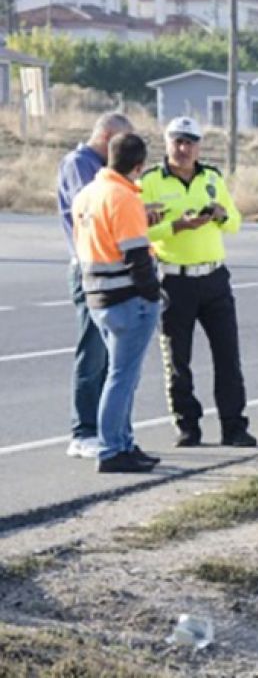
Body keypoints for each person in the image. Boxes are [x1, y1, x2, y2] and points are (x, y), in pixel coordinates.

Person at [141, 117, 257, 448]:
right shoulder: (150, 181)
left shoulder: (211, 177)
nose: (184, 148)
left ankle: (234, 426)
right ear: (167, 143)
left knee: (228, 356)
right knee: (178, 359)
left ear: (199, 146)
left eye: (190, 142)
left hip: (214, 277)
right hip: (175, 279)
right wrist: (176, 227)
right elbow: (139, 229)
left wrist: (219, 214)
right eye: (178, 141)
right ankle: (187, 425)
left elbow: (234, 223)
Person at [71, 133, 164, 473]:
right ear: (139, 166)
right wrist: (154, 294)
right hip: (128, 297)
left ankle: (124, 443)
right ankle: (112, 449)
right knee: (122, 377)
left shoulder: (87, 195)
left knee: (120, 375)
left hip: (97, 295)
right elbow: (136, 255)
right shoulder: (123, 197)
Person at [57, 113, 134, 460]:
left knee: (112, 354)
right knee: (93, 350)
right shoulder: (80, 164)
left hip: (110, 270)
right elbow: (93, 211)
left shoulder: (104, 170)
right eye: (120, 143)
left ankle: (109, 431)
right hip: (90, 270)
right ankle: (83, 430)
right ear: (105, 138)